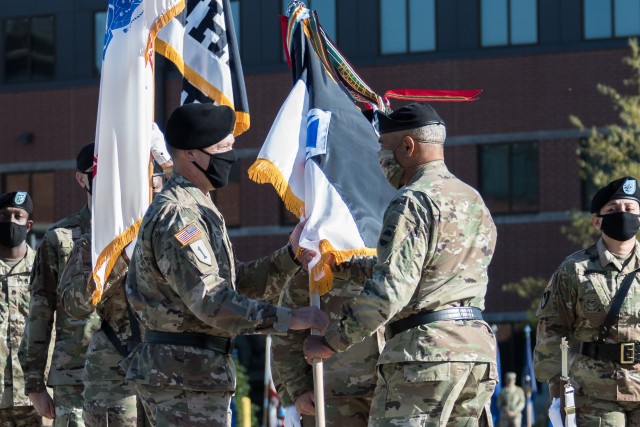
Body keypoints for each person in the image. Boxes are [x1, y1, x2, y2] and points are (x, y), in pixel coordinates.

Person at [123, 103, 328, 426]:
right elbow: (212, 301)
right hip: (183, 376)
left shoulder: (200, 206)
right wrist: (290, 319)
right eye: (222, 149)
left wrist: (290, 258)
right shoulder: (180, 215)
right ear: (191, 154)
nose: (230, 157)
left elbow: (232, 283)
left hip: (195, 373)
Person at [303, 102, 499, 426]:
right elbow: (427, 271)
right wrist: (341, 266)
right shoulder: (473, 201)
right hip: (475, 355)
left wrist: (329, 342)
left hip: (425, 357)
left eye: (384, 149)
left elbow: (390, 290)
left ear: (408, 147)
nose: (381, 159)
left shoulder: (413, 200)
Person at [56, 165, 168, 426]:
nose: (152, 196)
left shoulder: (179, 239)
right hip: (114, 379)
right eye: (145, 190)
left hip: (169, 373)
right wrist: (121, 256)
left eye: (157, 187)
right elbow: (75, 304)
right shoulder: (96, 244)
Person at [535, 176, 640, 427]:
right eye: (613, 210)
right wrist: (557, 391)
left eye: (630, 208)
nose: (623, 214)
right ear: (597, 220)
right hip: (594, 392)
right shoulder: (574, 269)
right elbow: (552, 330)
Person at [19, 143, 100, 426]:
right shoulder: (61, 237)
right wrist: (35, 384)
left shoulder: (141, 234)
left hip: (133, 375)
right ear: (82, 178)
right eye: (99, 172)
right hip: (76, 377)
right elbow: (40, 312)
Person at [272, 268, 381, 426]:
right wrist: (298, 389)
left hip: (393, 387)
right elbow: (286, 329)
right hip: (332, 394)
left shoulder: (396, 251)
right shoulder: (317, 256)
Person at [0, 191, 40, 426]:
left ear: (29, 225)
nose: (11, 222)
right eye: (4, 216)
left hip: (34, 394)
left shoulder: (44, 269)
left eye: (18, 216)